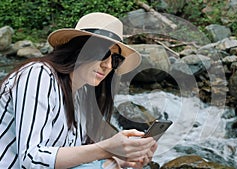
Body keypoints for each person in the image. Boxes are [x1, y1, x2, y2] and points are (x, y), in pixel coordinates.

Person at [0, 12, 157, 169]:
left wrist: (120, 160)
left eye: (116, 60)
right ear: (79, 49)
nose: (108, 65)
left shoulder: (83, 95)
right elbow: (31, 160)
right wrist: (105, 149)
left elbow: (72, 160)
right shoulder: (38, 74)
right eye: (103, 54)